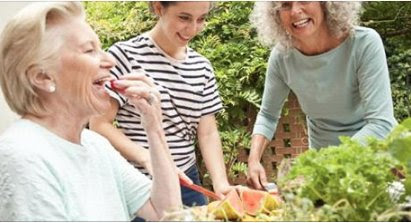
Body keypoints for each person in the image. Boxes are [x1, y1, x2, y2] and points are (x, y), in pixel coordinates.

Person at [0, 2, 181, 221]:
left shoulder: (95, 145)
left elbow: (166, 213)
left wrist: (154, 128)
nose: (110, 61)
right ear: (43, 77)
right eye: (89, 50)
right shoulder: (23, 155)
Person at [89, 1, 232, 207]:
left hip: (188, 181)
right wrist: (148, 159)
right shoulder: (124, 56)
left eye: (201, 19)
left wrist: (221, 183)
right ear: (158, 8)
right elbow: (99, 125)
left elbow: (207, 132)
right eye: (184, 18)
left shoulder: (202, 67)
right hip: (140, 181)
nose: (192, 29)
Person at [247, 1, 398, 190]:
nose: (295, 11)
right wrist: (253, 160)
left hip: (374, 163)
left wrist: (325, 164)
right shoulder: (281, 57)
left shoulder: (364, 43)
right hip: (325, 170)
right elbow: (268, 115)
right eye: (285, 5)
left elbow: (380, 124)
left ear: (326, 4)